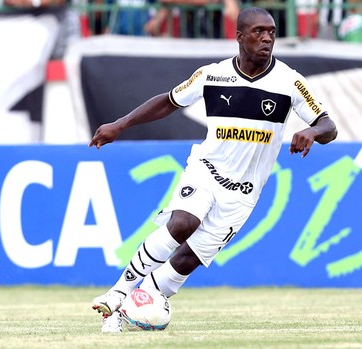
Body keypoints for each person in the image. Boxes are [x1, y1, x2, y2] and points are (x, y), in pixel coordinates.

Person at [88, 7, 337, 333]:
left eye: (272, 32)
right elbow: (168, 101)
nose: (267, 38)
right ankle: (118, 291)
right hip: (206, 170)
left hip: (244, 192)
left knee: (187, 259)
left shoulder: (290, 82)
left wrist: (313, 132)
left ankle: (129, 307)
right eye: (258, 32)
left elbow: (328, 125)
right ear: (239, 37)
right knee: (183, 222)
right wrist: (120, 125)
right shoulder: (212, 74)